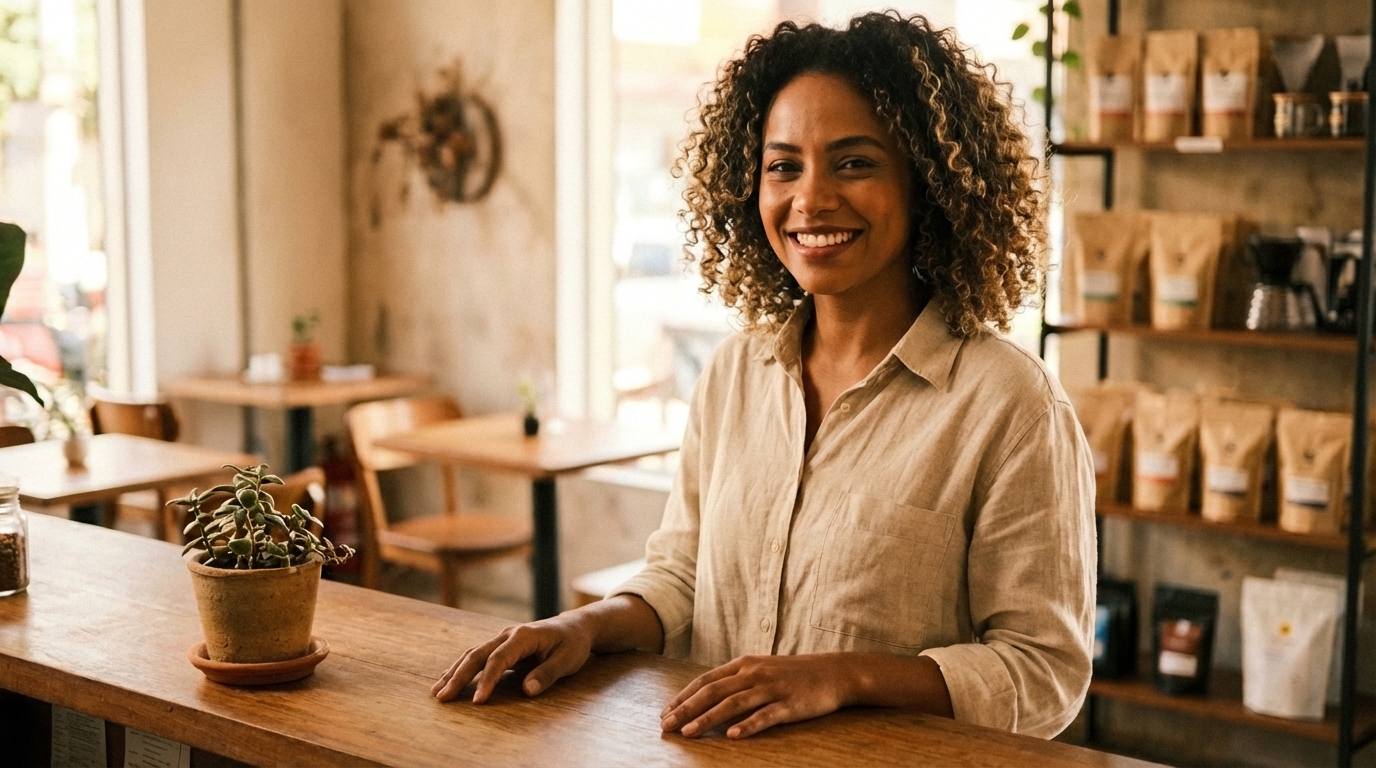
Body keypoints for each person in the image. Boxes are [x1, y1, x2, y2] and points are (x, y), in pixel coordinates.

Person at [433, 11, 1095, 740]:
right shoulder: (735, 374)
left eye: (854, 162)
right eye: (784, 166)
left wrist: (842, 676)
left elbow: (1044, 673)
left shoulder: (1011, 404)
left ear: (927, 181)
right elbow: (683, 577)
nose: (810, 200)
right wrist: (584, 625)